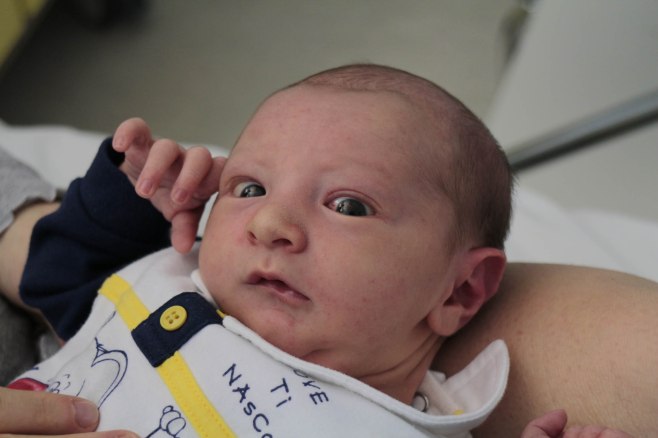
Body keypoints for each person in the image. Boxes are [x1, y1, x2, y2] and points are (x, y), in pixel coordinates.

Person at [0, 65, 641, 437]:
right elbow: (55, 277)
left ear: (461, 289)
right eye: (249, 188)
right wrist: (132, 197)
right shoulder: (171, 284)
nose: (271, 222)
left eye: (349, 206)